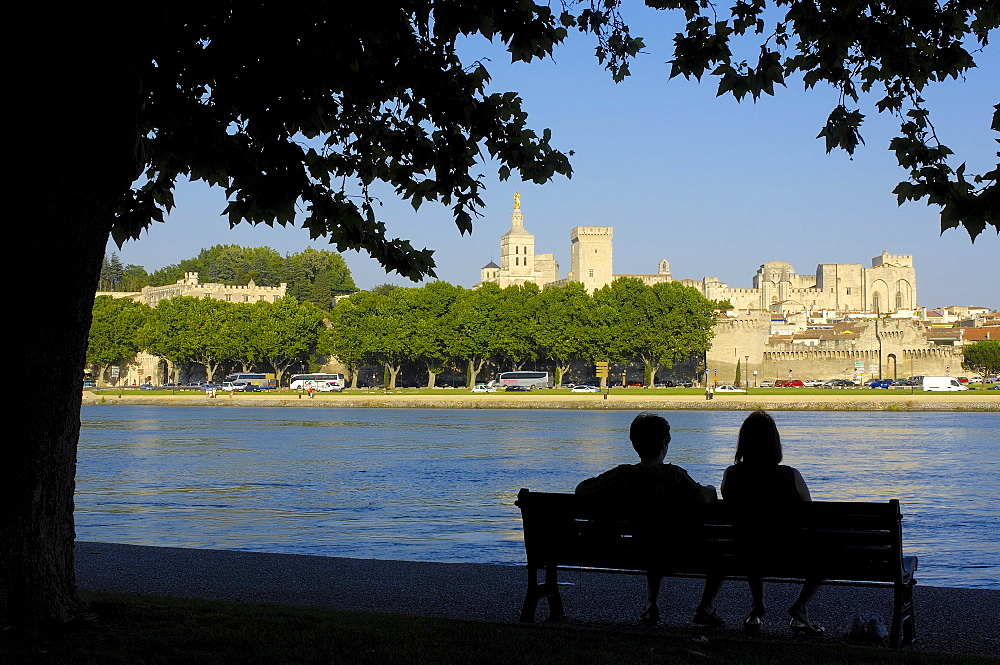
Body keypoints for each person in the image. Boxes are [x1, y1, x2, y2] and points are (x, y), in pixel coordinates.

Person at [575, 412, 723, 627]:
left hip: (636, 548)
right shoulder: (674, 476)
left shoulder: (623, 475)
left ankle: (652, 603)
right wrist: (709, 489)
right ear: (665, 442)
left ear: (634, 444)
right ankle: (706, 606)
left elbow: (582, 490)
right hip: (680, 550)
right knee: (718, 554)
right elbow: (702, 497)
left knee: (653, 539)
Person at [720, 410, 824, 635]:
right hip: (787, 552)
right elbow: (811, 514)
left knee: (752, 536)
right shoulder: (790, 476)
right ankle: (801, 607)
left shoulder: (731, 475)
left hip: (744, 552)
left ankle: (757, 606)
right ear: (775, 443)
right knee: (827, 553)